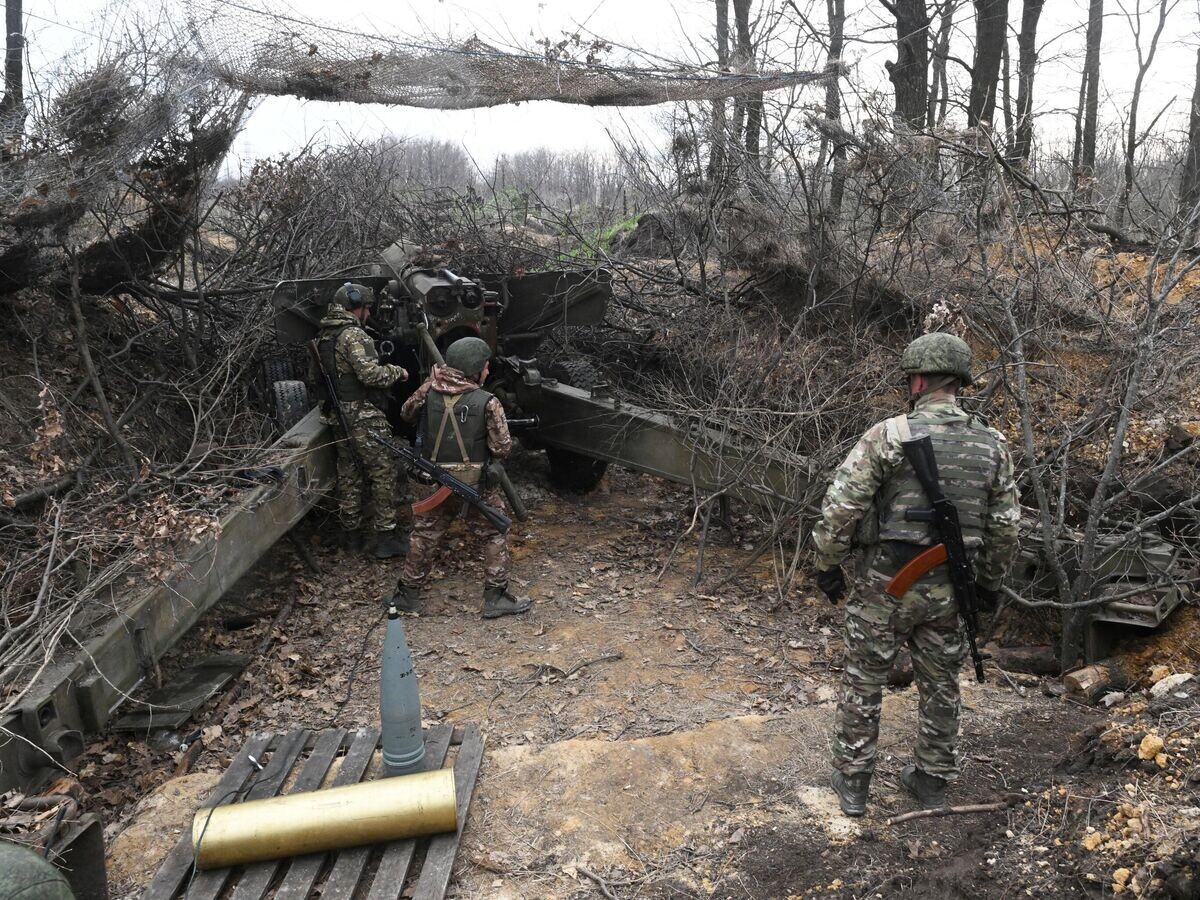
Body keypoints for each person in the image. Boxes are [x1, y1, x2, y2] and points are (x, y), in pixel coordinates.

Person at [811, 332, 1020, 817]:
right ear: (960, 383)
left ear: (919, 379)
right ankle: (931, 780)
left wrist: (827, 564)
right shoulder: (992, 444)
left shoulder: (889, 434)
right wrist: (988, 584)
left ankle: (855, 783)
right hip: (951, 587)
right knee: (942, 682)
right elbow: (1006, 528)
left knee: (865, 679)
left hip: (886, 584)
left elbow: (842, 506)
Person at [390, 336, 532, 619]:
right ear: (475, 369)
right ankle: (495, 597)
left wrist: (429, 383)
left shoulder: (428, 391)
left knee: (424, 535)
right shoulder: (488, 402)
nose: (488, 371)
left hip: (433, 482)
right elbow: (502, 448)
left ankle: (407, 595)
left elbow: (405, 414)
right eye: (485, 367)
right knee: (494, 533)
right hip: (474, 484)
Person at [313, 282, 408, 558]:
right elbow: (370, 375)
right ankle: (386, 538)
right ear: (359, 307)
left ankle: (351, 537)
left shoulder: (324, 335)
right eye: (368, 307)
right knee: (383, 472)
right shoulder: (353, 335)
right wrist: (396, 371)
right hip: (362, 417)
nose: (370, 313)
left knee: (350, 475)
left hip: (337, 415)